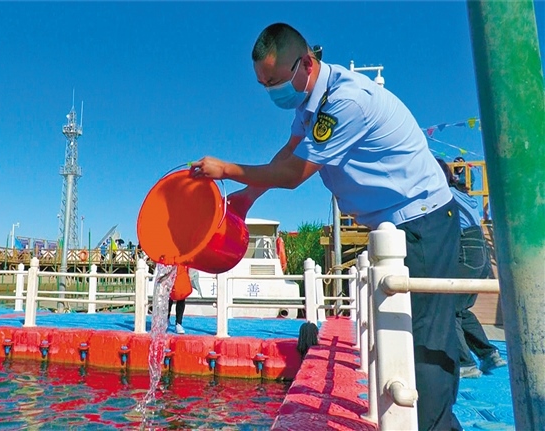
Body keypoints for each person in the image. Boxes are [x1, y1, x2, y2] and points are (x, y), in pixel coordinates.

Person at [190, 23, 462, 431]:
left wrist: (226, 169)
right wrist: (246, 198)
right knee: (399, 342)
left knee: (422, 345)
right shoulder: (309, 105)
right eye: (263, 85)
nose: (271, 92)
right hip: (394, 229)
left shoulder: (345, 101)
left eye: (275, 82)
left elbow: (295, 173)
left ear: (306, 63)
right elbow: (287, 154)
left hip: (422, 223)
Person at [437, 159, 507, 379]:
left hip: (465, 251)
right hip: (479, 253)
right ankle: (489, 354)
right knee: (461, 309)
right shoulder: (462, 194)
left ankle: (465, 363)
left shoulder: (442, 194)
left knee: (447, 308)